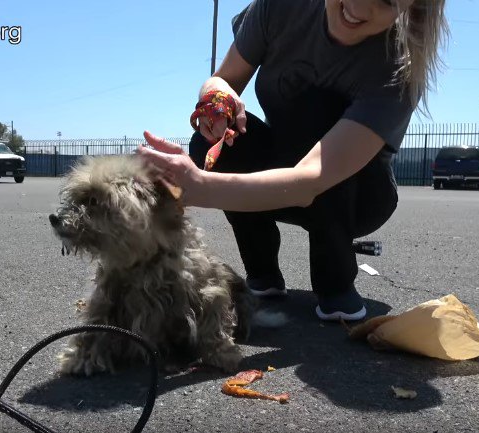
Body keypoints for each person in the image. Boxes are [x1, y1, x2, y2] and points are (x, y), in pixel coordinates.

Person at [138, 0, 448, 321]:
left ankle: (335, 283)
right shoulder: (282, 6)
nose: (359, 6)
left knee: (319, 107)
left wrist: (200, 187)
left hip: (359, 194)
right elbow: (223, 79)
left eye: (386, 1)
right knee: (216, 139)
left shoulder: (397, 68)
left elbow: (312, 178)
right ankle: (262, 271)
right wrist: (217, 100)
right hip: (282, 169)